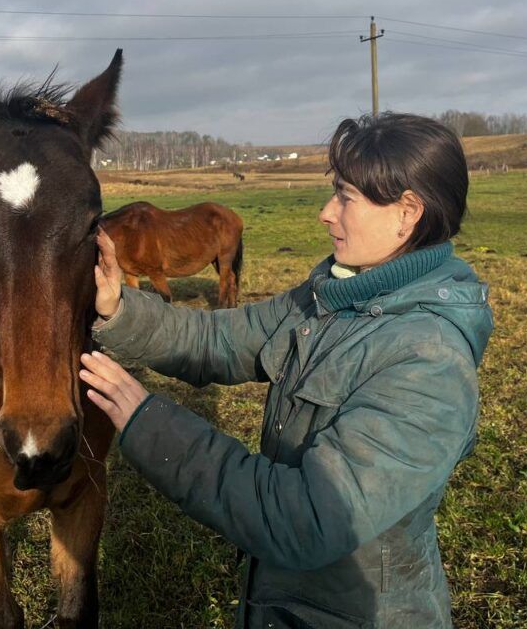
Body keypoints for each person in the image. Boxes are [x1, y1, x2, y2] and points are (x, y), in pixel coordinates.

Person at [79, 113, 493, 629]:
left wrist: (150, 422)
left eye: (345, 197)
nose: (325, 213)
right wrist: (119, 307)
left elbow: (304, 518)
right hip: (283, 602)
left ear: (407, 213)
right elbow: (219, 338)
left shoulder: (427, 362)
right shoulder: (330, 298)